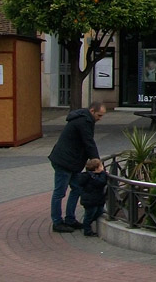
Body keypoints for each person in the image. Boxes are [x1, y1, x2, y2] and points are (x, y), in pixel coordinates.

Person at [48, 101, 106, 232]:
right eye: (99, 115)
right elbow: (88, 142)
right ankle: (57, 222)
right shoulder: (84, 121)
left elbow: (87, 143)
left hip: (71, 161)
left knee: (77, 188)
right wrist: (97, 161)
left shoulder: (84, 119)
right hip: (64, 161)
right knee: (59, 192)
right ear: (92, 111)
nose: (100, 119)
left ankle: (70, 219)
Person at [76, 157, 107, 236]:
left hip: (93, 200)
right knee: (90, 215)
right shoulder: (93, 178)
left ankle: (87, 225)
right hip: (91, 201)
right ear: (97, 168)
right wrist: (104, 174)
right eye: (101, 166)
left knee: (98, 211)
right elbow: (101, 182)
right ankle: (87, 230)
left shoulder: (89, 176)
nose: (102, 168)